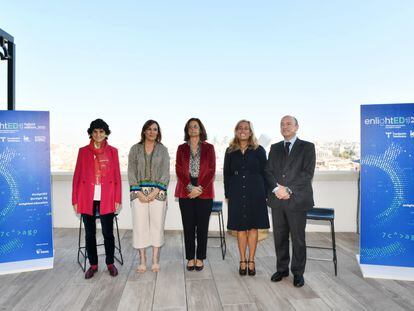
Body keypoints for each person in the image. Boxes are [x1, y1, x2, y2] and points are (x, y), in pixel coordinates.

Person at [265, 115, 316, 287]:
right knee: (279, 237)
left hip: (297, 200)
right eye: (282, 124)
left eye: (288, 124)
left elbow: (307, 173)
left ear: (296, 127)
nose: (285, 126)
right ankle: (282, 269)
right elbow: (268, 171)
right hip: (277, 199)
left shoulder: (308, 147)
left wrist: (288, 189)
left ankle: (298, 273)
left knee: (298, 239)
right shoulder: (275, 147)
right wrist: (276, 189)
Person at [72, 118, 122, 279]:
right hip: (87, 197)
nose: (98, 134)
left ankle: (109, 263)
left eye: (101, 131)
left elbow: (117, 177)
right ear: (91, 134)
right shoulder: (83, 151)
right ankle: (93, 264)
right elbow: (77, 176)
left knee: (108, 233)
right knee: (90, 233)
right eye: (95, 131)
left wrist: (118, 198)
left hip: (107, 197)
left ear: (106, 133)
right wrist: (75, 199)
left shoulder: (113, 151)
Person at [224, 120, 270, 276]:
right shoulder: (229, 151)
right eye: (240, 128)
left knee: (253, 227)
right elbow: (227, 175)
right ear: (236, 131)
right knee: (241, 228)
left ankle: (251, 260)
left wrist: (266, 194)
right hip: (236, 191)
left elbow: (265, 173)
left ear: (251, 132)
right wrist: (228, 195)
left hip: (256, 191)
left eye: (246, 128)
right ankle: (242, 260)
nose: (243, 130)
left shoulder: (259, 150)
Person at [128, 120, 170, 273]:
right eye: (149, 129)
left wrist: (154, 192)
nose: (152, 132)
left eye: (155, 129)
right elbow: (131, 171)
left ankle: (154, 260)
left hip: (158, 192)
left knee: (157, 225)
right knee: (140, 225)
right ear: (144, 131)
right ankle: (142, 259)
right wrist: (138, 192)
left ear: (158, 132)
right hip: (137, 192)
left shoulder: (163, 150)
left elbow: (166, 172)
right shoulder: (135, 149)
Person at [175, 118, 216, 271]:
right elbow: (179, 169)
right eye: (190, 127)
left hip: (204, 191)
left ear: (200, 129)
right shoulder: (181, 148)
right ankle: (190, 258)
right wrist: (189, 187)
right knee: (188, 226)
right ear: (187, 130)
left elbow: (211, 170)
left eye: (196, 126)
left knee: (202, 227)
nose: (193, 129)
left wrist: (199, 188)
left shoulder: (209, 148)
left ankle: (200, 258)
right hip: (186, 191)